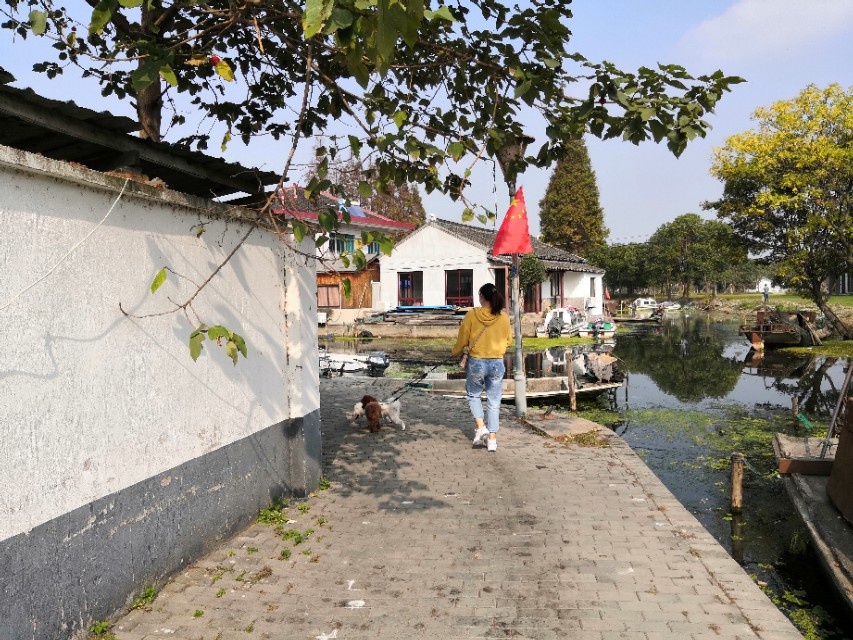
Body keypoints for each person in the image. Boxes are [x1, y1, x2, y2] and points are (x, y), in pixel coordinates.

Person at [451, 283, 512, 452]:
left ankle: (481, 427)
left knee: (473, 394)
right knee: (494, 400)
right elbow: (509, 340)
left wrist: (455, 352)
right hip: (497, 362)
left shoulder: (472, 315)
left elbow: (462, 339)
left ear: (482, 297)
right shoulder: (503, 317)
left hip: (477, 361)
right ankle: (492, 440)